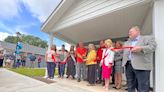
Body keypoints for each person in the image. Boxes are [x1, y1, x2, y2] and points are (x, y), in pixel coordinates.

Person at [122, 26, 157, 92]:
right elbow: (124, 52)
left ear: (137, 31)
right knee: (130, 86)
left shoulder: (147, 38)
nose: (129, 33)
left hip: (142, 66)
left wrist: (141, 48)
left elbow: (152, 47)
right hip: (128, 65)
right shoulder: (127, 42)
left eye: (131, 32)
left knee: (143, 87)